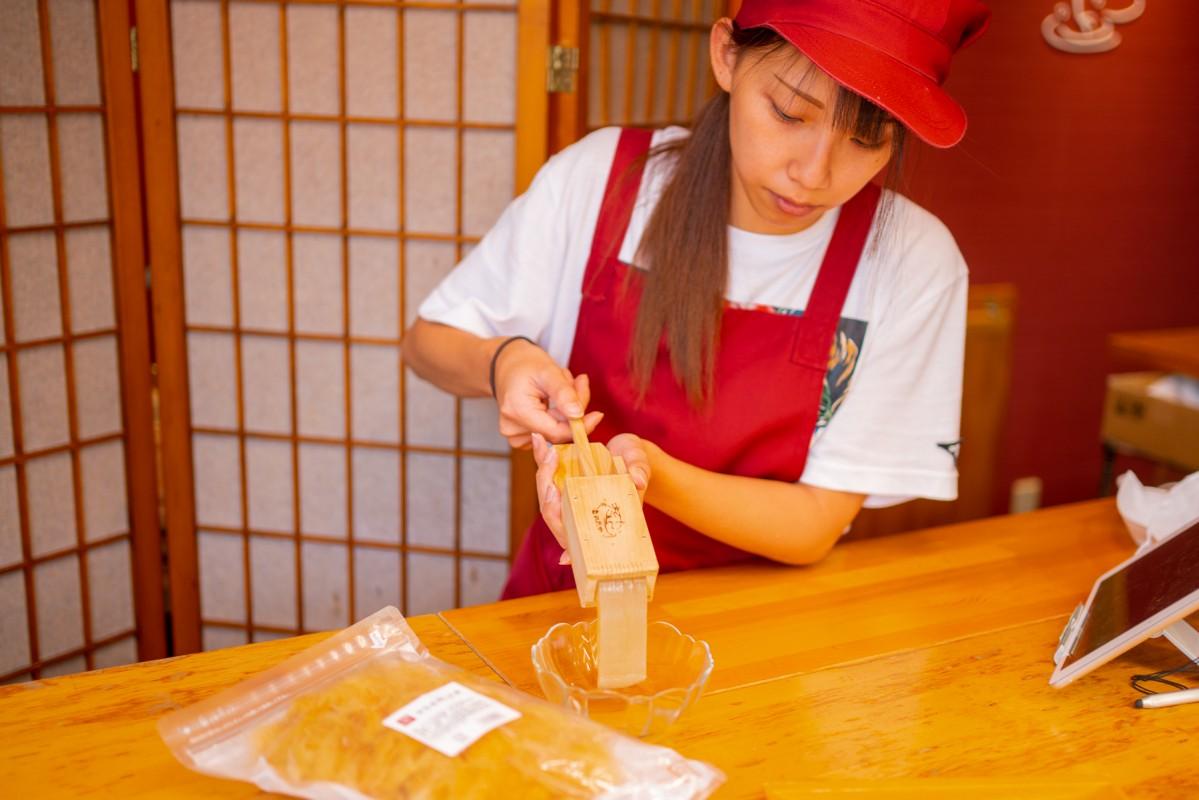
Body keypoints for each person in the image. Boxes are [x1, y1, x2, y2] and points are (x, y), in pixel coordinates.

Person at [402, 0, 991, 599]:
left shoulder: (912, 260)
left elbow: (814, 524)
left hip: (757, 616)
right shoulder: (603, 180)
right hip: (566, 604)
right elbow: (426, 345)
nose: (815, 173)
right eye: (789, 113)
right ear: (727, 55)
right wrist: (502, 360)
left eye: (867, 137)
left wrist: (650, 475)